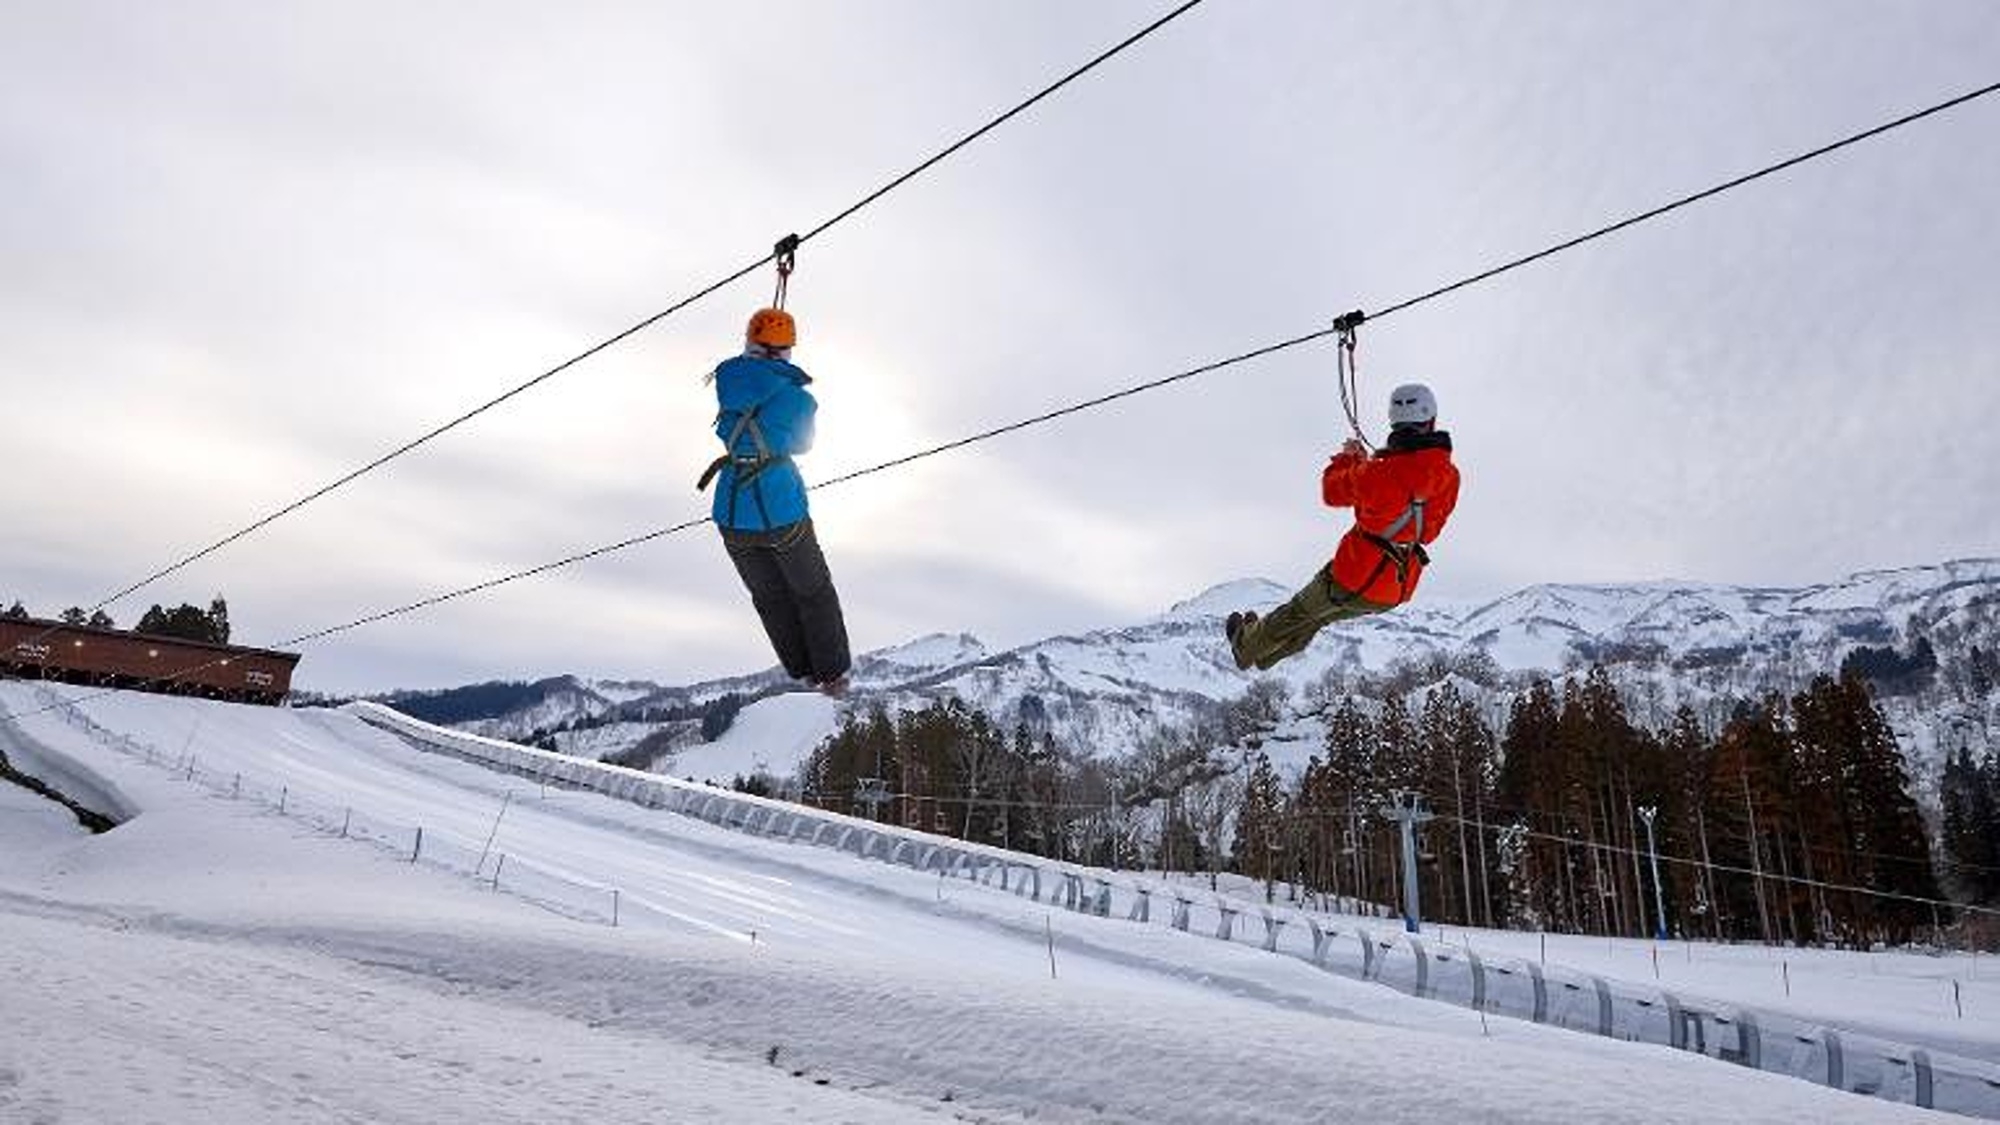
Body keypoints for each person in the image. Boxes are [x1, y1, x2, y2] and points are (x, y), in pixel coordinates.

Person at [1226, 383, 1459, 672]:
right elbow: (1426, 527)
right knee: (1317, 617)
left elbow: (1332, 491)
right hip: (1397, 587)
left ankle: (1245, 646)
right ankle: (1265, 656)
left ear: (1394, 421)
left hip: (1354, 574)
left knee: (1300, 611)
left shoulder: (1375, 473)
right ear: (1431, 420)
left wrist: (1349, 459)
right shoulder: (1449, 476)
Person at [698, 307, 852, 695]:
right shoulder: (797, 399)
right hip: (779, 506)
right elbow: (804, 443)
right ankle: (830, 676)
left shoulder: (729, 381)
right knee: (813, 591)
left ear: (749, 343)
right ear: (786, 351)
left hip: (731, 510)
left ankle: (799, 669)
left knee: (770, 597)